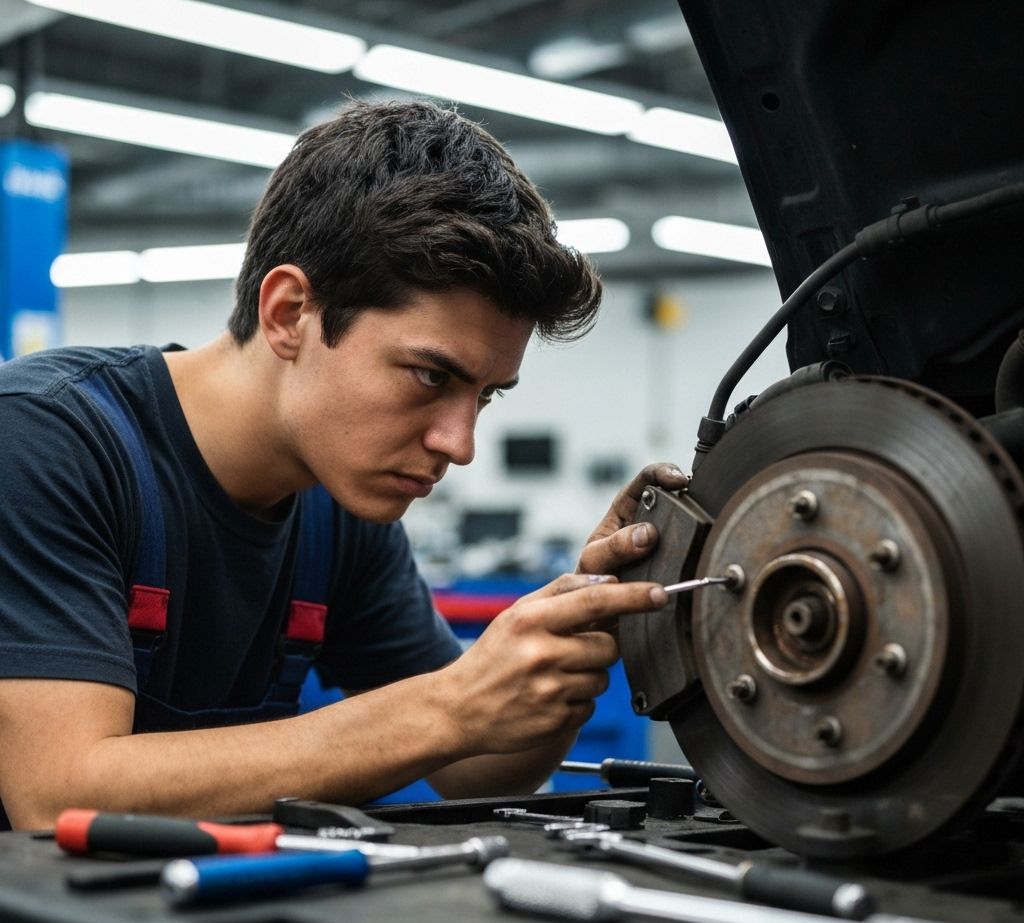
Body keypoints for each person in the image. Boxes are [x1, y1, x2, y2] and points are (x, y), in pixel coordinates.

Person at [0, 99, 686, 830]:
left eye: (485, 397)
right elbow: (56, 795)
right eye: (430, 376)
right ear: (290, 312)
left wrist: (567, 639)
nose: (460, 444)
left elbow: (472, 768)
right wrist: (447, 705)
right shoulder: (45, 441)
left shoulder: (335, 507)